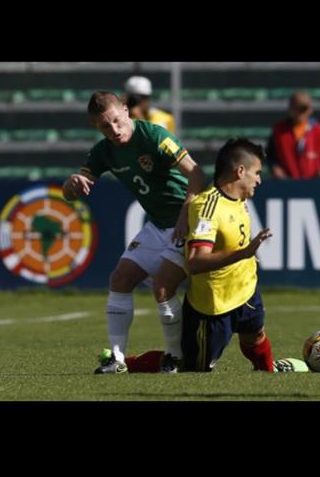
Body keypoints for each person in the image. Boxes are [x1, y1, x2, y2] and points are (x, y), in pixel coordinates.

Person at [102, 138, 309, 374]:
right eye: (257, 173)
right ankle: (127, 363)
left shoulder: (240, 199)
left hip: (246, 290)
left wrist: (245, 258)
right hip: (214, 308)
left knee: (255, 335)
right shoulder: (206, 208)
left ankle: (269, 369)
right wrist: (244, 253)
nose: (260, 179)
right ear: (240, 171)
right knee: (192, 367)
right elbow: (196, 262)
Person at [62, 91, 206, 374]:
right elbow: (70, 195)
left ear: (127, 111)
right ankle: (117, 359)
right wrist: (72, 183)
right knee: (120, 278)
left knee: (162, 286)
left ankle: (174, 358)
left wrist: (186, 213)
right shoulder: (103, 151)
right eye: (105, 126)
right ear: (97, 127)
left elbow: (197, 174)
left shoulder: (154, 135)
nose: (114, 130)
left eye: (117, 121)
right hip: (157, 225)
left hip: (188, 221)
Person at [265, 91, 320, 179]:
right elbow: (269, 156)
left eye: (303, 108)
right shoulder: (278, 131)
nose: (300, 112)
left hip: (314, 184)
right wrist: (274, 168)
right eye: (296, 108)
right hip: (286, 184)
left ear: (310, 110)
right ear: (290, 109)